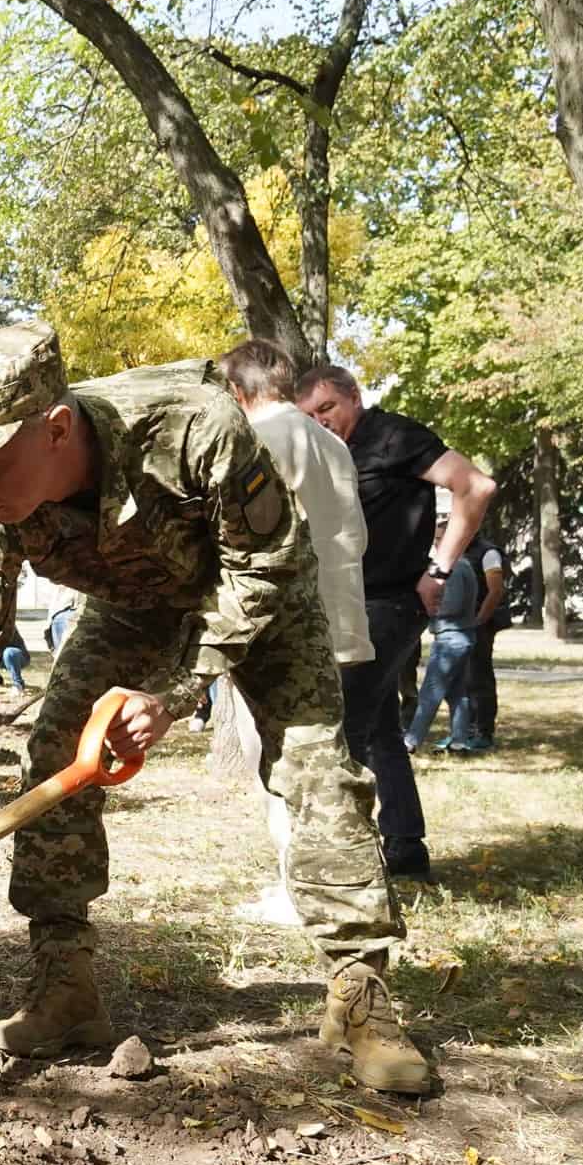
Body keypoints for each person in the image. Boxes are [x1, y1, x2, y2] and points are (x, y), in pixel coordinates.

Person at [0, 322, 433, 1094]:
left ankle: (360, 995)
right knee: (57, 747)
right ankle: (64, 987)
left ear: (57, 429)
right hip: (134, 604)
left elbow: (262, 566)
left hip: (255, 596)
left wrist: (175, 694)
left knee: (314, 766)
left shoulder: (195, 424)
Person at [294, 365, 496, 884]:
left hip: (388, 607)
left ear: (354, 397)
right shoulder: (326, 453)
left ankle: (342, 868)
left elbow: (475, 486)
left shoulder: (393, 435)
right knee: (383, 731)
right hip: (347, 608)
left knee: (342, 734)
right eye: (309, 416)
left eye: (327, 409)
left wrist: (440, 568)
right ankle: (405, 848)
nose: (320, 422)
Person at [216, 339, 375, 923]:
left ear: (237, 392)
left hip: (282, 625)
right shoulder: (332, 442)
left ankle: (301, 891)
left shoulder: (256, 440)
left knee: (285, 766)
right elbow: (354, 535)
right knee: (326, 759)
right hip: (338, 614)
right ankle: (321, 884)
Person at [403, 537, 479, 753]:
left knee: (430, 692)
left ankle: (411, 741)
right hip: (462, 637)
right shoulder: (466, 565)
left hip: (450, 639)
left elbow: (451, 605)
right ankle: (459, 740)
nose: (435, 545)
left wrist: (426, 608)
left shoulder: (454, 569)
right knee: (457, 693)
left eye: (438, 539)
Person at [459, 533, 508, 750]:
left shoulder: (488, 553)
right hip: (461, 623)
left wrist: (479, 620)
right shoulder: (458, 550)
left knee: (479, 677)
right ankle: (465, 731)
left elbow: (496, 591)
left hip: (480, 625)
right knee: (462, 680)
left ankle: (483, 732)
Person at [0, 623, 31, 695]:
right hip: (1, 657)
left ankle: (18, 684)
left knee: (9, 652)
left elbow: (3, 640)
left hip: (19, 657)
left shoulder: (7, 622)